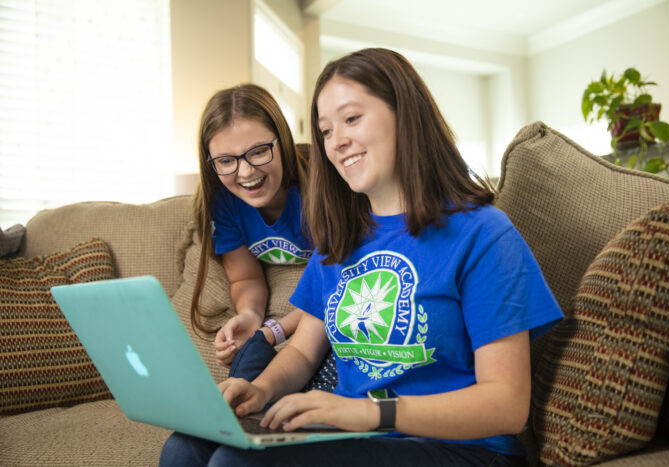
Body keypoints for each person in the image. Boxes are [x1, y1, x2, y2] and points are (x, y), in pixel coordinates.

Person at [161, 49, 563, 467]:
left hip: (462, 450)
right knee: (185, 448)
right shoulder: (340, 237)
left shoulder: (484, 233)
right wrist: (260, 391)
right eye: (326, 130)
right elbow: (301, 353)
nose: (338, 141)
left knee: (236, 464)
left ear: (405, 115)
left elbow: (508, 405)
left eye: (352, 119)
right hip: (358, 436)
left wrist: (369, 412)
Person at [188, 84, 336, 385]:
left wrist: (275, 329)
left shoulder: (322, 184)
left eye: (258, 151)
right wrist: (249, 316)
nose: (245, 173)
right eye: (226, 161)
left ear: (282, 140)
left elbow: (337, 282)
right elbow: (246, 278)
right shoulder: (222, 204)